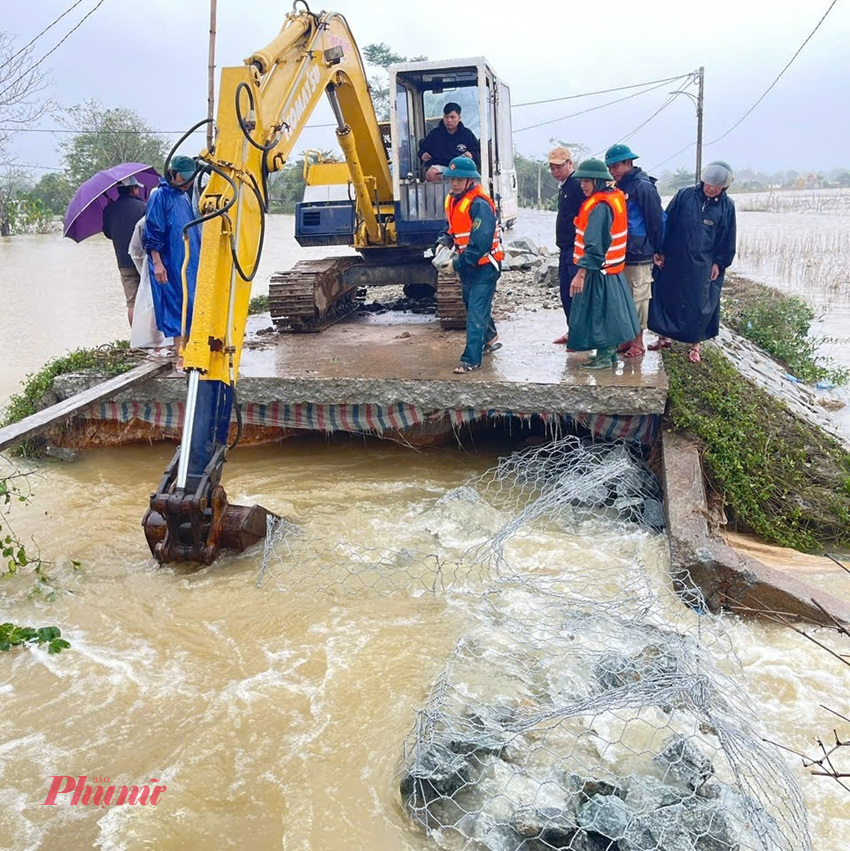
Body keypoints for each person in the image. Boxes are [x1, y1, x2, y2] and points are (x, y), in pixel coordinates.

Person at [647, 160, 737, 363]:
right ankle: (664, 337)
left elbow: (728, 237)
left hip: (703, 262)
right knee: (668, 295)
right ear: (703, 181)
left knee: (701, 302)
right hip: (675, 256)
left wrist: (719, 263)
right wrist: (660, 250)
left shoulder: (727, 207)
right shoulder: (684, 195)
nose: (711, 189)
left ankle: (695, 345)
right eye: (708, 184)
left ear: (724, 188)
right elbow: (666, 222)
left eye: (716, 187)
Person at [568, 159, 641, 370]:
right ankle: (607, 355)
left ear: (599, 181)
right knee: (608, 313)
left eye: (587, 181)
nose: (583, 185)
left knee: (601, 315)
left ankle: (604, 357)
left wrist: (581, 273)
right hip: (610, 269)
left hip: (599, 271)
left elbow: (595, 245)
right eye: (581, 181)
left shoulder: (600, 207)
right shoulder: (612, 198)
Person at [440, 156, 504, 374]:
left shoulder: (479, 204)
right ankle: (491, 337)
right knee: (471, 303)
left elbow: (479, 243)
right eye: (452, 179)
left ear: (470, 181)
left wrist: (457, 264)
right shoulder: (454, 200)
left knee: (476, 310)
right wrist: (444, 241)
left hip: (485, 266)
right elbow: (454, 229)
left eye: (460, 179)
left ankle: (471, 360)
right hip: (471, 266)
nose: (455, 183)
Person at [604, 143, 665, 359]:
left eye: (616, 166)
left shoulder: (643, 187)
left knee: (639, 296)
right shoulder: (618, 187)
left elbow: (655, 220)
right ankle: (628, 337)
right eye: (610, 167)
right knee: (624, 297)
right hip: (621, 252)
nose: (613, 171)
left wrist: (659, 249)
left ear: (629, 163)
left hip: (640, 252)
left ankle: (638, 342)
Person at [143, 155, 201, 370]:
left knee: (193, 303)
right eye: (183, 178)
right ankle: (181, 355)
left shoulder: (183, 197)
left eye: (190, 179)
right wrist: (157, 263)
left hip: (189, 260)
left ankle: (193, 350)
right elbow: (153, 232)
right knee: (178, 305)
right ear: (172, 173)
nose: (187, 182)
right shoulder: (160, 196)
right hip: (170, 261)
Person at [547, 146, 586, 346]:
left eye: (559, 167)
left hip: (575, 248)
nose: (555, 172)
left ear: (570, 164)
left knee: (575, 294)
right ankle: (573, 331)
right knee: (565, 292)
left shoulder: (577, 185)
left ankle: (580, 335)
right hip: (564, 248)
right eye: (552, 168)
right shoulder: (565, 186)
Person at [102, 175, 147, 326]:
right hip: (145, 260)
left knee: (132, 301)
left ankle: (136, 339)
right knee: (149, 297)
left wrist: (109, 209)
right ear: (133, 190)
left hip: (123, 261)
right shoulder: (143, 207)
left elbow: (108, 234)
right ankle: (152, 336)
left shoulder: (109, 209)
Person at [418, 102, 480, 183]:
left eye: (452, 117)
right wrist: (423, 154)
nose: (449, 120)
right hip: (440, 166)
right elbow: (422, 149)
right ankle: (439, 195)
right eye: (446, 117)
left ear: (459, 117)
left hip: (460, 167)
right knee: (430, 174)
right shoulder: (435, 134)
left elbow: (477, 153)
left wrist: (471, 155)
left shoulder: (467, 134)